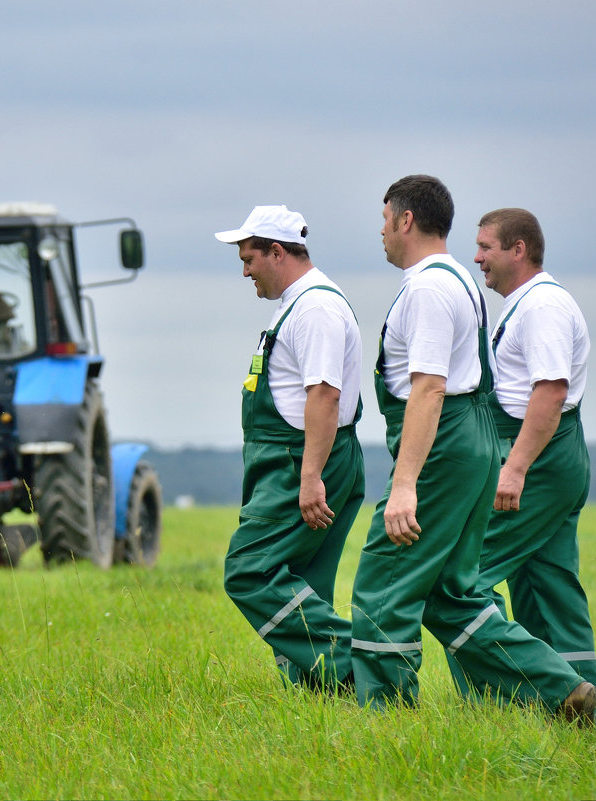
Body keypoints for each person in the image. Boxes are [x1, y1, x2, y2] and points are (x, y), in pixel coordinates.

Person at [349, 175, 596, 724]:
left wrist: (406, 484)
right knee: (453, 592)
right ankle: (561, 689)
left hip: (447, 448)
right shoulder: (457, 280)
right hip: (476, 440)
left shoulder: (429, 290)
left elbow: (431, 386)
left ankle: (382, 717)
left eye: (384, 217)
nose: (381, 231)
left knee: (386, 577)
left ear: (405, 220)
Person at [442, 207, 596, 716]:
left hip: (537, 461)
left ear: (518, 249)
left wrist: (513, 469)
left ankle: (514, 701)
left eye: (486, 247)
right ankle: (583, 713)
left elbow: (550, 392)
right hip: (547, 460)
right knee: (549, 588)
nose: (476, 257)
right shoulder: (526, 305)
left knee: (460, 580)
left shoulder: (543, 308)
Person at [216, 204, 365, 693]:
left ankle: (363, 670)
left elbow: (324, 395)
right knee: (305, 579)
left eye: (248, 258)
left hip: (301, 460)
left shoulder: (316, 308)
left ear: (276, 252)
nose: (244, 271)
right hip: (299, 459)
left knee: (249, 572)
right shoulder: (298, 305)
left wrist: (309, 477)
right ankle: (321, 695)